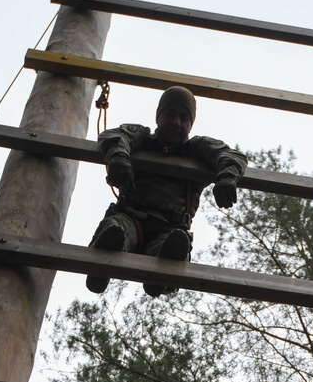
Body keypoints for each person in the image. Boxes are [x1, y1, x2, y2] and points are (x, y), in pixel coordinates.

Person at [85, 85, 247, 297]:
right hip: (130, 218)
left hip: (169, 228)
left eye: (184, 117)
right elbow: (114, 135)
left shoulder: (197, 150)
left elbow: (233, 156)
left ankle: (161, 276)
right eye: (170, 114)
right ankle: (102, 265)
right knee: (115, 231)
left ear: (191, 124)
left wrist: (227, 177)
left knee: (173, 247)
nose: (176, 122)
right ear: (158, 117)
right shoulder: (142, 138)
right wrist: (118, 157)